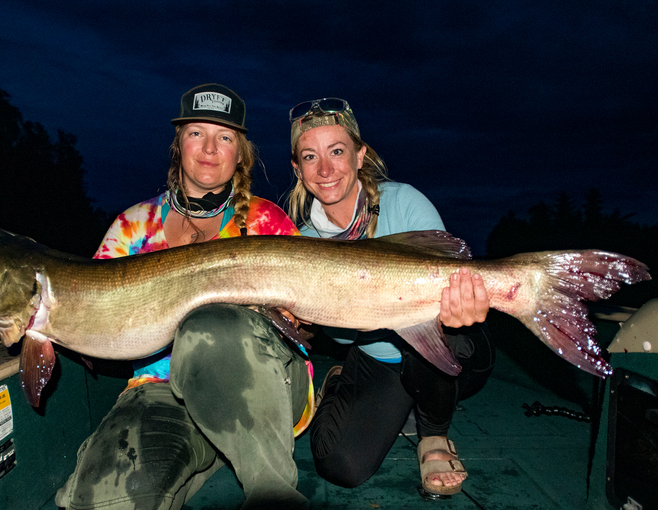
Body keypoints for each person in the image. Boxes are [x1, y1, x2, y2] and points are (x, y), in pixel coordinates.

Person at [56, 84, 313, 510]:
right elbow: (95, 316)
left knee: (207, 325)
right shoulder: (132, 225)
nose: (210, 148)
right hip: (163, 390)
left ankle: (274, 496)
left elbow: (308, 327)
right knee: (104, 501)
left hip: (263, 383)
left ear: (240, 153)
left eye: (225, 137)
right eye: (197, 133)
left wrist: (296, 316)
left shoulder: (268, 220)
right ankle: (209, 450)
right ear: (179, 144)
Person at [285, 98, 495, 497]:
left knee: (430, 320)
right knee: (340, 466)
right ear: (298, 169)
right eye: (310, 157)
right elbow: (347, 339)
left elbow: (450, 270)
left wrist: (461, 305)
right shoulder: (302, 244)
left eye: (337, 152)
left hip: (450, 350)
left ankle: (433, 436)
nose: (325, 169)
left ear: (360, 155)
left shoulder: (404, 201)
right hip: (376, 356)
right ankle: (340, 383)